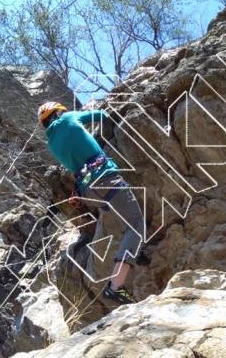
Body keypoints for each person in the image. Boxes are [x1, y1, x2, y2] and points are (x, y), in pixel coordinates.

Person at [38, 101, 143, 304]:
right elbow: (101, 115)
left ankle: (135, 251)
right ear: (59, 112)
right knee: (136, 226)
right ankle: (115, 286)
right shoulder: (68, 118)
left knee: (123, 223)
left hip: (89, 191)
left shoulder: (51, 144)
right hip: (105, 178)